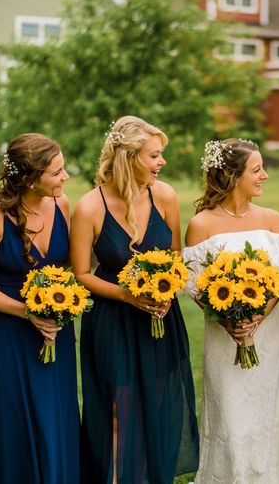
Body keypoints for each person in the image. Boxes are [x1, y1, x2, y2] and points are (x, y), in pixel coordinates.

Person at [70, 116, 199, 483]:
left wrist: (165, 292)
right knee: (116, 408)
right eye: (155, 155)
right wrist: (128, 296)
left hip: (160, 320)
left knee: (156, 407)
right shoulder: (89, 208)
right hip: (113, 320)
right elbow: (81, 274)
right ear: (129, 158)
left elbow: (177, 256)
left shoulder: (166, 196)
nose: (162, 163)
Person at [0, 133, 78, 483]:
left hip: (57, 332)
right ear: (30, 177)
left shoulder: (62, 206)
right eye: (57, 172)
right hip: (13, 336)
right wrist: (27, 312)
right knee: (16, 425)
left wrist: (60, 303)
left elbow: (70, 267)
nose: (65, 177)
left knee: (56, 421)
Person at [182, 138, 279, 483]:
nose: (264, 175)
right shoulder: (201, 224)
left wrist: (257, 318)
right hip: (223, 338)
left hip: (269, 338)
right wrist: (229, 319)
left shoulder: (272, 219)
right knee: (230, 418)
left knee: (268, 416)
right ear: (232, 176)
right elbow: (194, 285)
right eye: (256, 169)